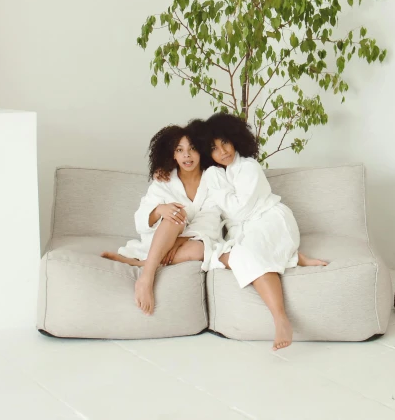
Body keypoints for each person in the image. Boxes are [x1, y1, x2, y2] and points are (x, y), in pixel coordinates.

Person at [203, 113, 327, 351]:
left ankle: (280, 319)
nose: (223, 151)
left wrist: (216, 185)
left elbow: (238, 211)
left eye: (225, 142)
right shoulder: (219, 173)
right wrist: (213, 177)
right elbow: (213, 210)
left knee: (247, 254)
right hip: (249, 229)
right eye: (214, 148)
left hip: (272, 221)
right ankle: (292, 257)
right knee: (229, 256)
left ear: (235, 139)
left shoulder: (249, 167)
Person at [101, 120, 221, 316]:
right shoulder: (164, 179)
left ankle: (143, 263)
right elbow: (140, 220)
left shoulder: (213, 179)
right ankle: (146, 278)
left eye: (192, 149)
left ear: (201, 151)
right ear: (173, 154)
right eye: (180, 150)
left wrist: (180, 241)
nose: (187, 155)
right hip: (161, 240)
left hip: (190, 241)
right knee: (175, 214)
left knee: (200, 250)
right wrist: (159, 210)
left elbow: (211, 218)